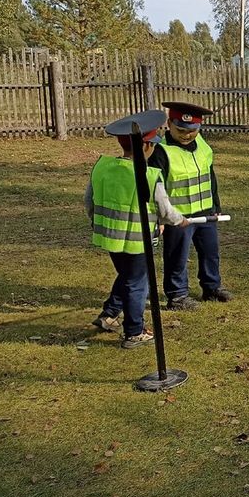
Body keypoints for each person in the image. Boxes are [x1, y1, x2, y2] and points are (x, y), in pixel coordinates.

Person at [85, 110, 190, 348]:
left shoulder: (102, 167)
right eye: (153, 144)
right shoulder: (149, 175)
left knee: (127, 275)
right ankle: (134, 331)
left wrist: (97, 222)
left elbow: (89, 201)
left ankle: (109, 314)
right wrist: (179, 221)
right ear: (146, 146)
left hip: (110, 238)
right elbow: (164, 209)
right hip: (137, 241)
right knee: (137, 283)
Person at [148, 101, 233, 310]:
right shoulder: (161, 151)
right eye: (181, 130)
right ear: (169, 124)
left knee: (210, 252)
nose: (187, 135)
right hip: (178, 217)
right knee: (177, 256)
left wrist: (216, 204)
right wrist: (161, 218)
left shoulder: (202, 144)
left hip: (206, 212)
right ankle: (177, 296)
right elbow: (155, 189)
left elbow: (210, 175)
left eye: (192, 130)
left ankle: (211, 288)